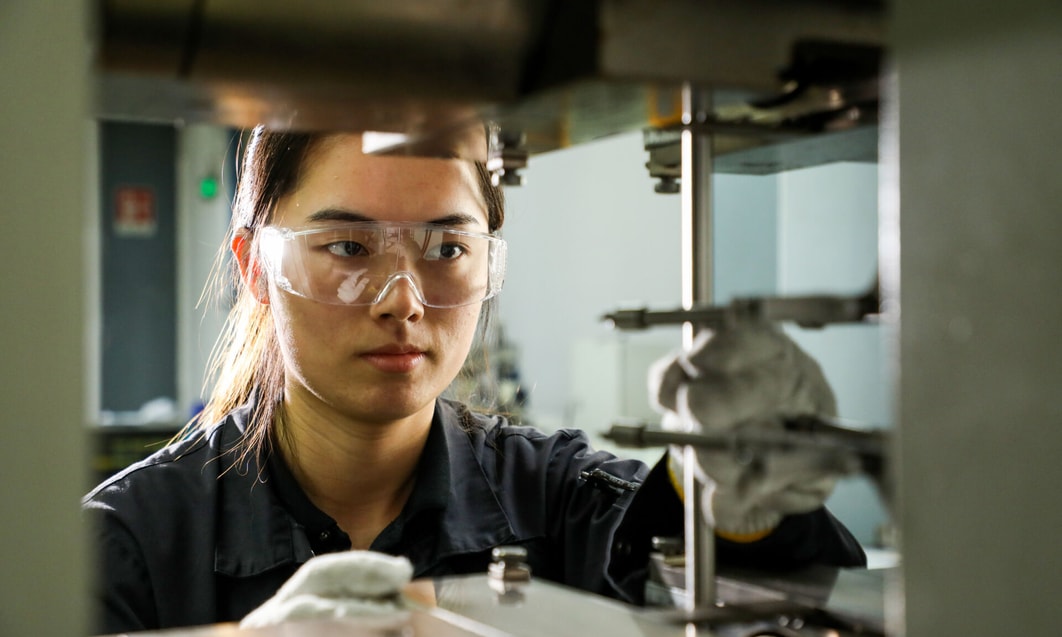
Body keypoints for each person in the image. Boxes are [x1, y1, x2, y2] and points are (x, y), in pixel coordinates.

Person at [83, 124, 865, 634]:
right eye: (349, 249)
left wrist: (743, 508)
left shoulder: (564, 501)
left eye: (446, 249)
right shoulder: (124, 546)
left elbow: (807, 605)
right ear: (256, 268)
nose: (403, 300)